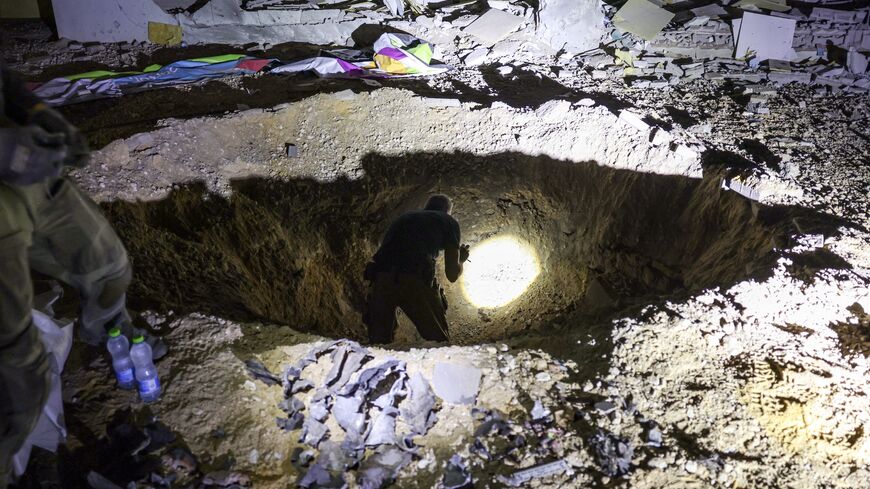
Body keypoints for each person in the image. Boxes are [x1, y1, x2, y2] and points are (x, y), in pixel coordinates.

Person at [0, 61, 134, 487]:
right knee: (17, 364)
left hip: (22, 169)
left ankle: (107, 340)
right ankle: (11, 461)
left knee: (107, 267)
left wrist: (35, 111)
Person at [364, 194, 470, 343]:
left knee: (379, 345)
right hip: (412, 279)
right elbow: (452, 274)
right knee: (439, 342)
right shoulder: (448, 221)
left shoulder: (405, 218)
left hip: (381, 279)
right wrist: (461, 260)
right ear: (447, 211)